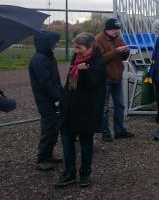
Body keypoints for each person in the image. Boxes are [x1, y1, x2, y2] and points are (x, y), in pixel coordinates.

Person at [54, 33, 106, 188]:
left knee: (85, 143)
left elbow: (94, 85)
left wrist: (84, 72)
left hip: (86, 111)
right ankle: (69, 172)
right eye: (75, 47)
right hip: (70, 109)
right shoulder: (76, 60)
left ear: (90, 48)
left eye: (79, 47)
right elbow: (70, 83)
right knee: (67, 141)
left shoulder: (98, 63)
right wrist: (62, 101)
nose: (76, 51)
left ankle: (85, 173)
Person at [28, 31, 63, 171]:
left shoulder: (47, 56)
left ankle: (48, 154)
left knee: (54, 128)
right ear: (47, 43)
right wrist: (57, 98)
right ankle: (42, 158)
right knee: (49, 128)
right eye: (54, 42)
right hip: (46, 100)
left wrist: (61, 94)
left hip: (51, 98)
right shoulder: (39, 59)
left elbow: (54, 79)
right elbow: (45, 83)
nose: (56, 45)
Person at [95, 18, 134, 142]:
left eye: (117, 29)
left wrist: (126, 52)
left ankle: (120, 130)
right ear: (107, 29)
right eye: (113, 29)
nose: (116, 32)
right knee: (104, 108)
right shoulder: (98, 40)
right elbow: (100, 59)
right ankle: (105, 133)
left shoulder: (118, 39)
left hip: (117, 76)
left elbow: (122, 58)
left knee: (120, 105)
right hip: (105, 78)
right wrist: (116, 51)